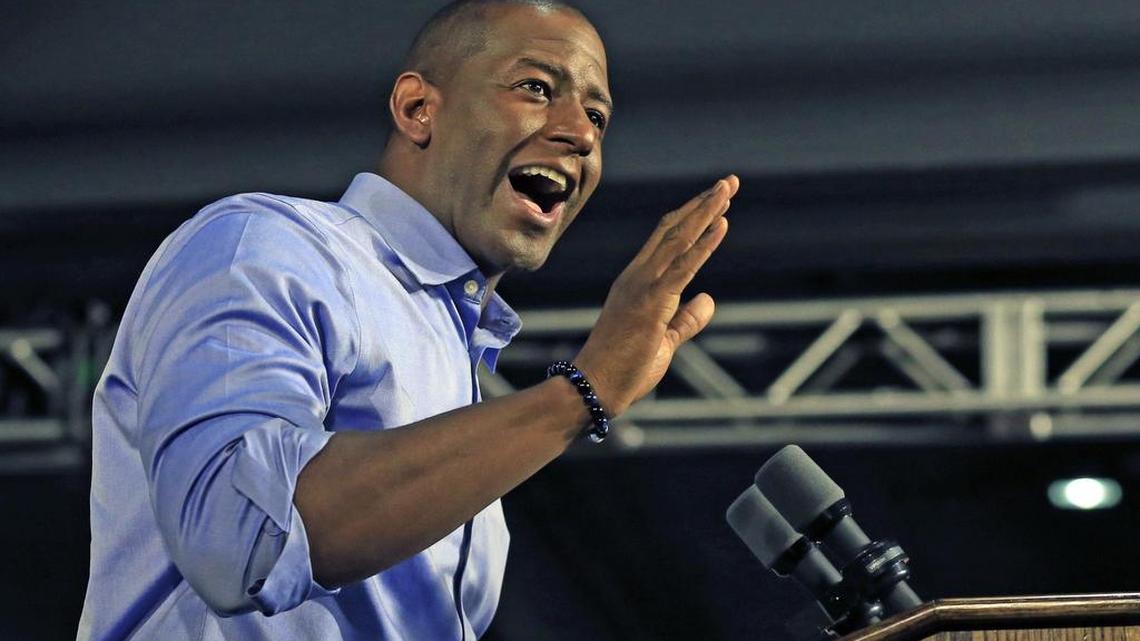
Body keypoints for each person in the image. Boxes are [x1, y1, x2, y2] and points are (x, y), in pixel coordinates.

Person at [76, 0, 739, 639]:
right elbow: (237, 539)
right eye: (537, 88)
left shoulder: (458, 361)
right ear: (418, 109)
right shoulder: (269, 246)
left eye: (597, 114)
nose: (583, 132)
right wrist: (578, 392)